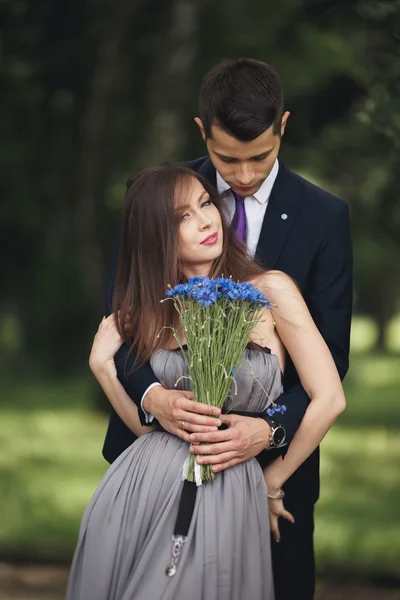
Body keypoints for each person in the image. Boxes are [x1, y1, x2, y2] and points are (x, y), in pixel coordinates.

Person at [102, 59, 353, 599]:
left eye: (260, 157)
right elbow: (123, 330)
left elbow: (332, 361)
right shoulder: (154, 201)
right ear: (202, 132)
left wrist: (270, 433)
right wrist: (153, 395)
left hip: (270, 474)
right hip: (155, 465)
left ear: (283, 125)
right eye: (225, 158)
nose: (242, 176)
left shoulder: (324, 216)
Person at [66, 165, 346, 600]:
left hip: (230, 489)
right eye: (182, 216)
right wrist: (103, 368)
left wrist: (273, 480)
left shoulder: (270, 289)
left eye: (204, 204)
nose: (206, 220)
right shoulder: (153, 310)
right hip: (139, 490)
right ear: (156, 235)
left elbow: (329, 398)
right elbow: (149, 432)